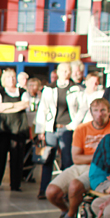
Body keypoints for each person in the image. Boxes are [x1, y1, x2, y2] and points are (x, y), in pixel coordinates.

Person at [46, 98, 110, 218]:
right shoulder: (82, 129)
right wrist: (99, 156)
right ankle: (66, 210)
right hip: (81, 165)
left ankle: (70, 217)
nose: (99, 114)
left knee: (75, 186)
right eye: (96, 111)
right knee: (51, 192)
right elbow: (76, 158)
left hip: (101, 170)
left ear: (109, 112)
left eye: (103, 111)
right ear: (91, 112)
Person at [34, 62, 84, 199]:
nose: (65, 73)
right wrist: (41, 130)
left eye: (68, 70)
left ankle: (66, 191)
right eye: (62, 70)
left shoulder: (76, 89)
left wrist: (73, 125)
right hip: (51, 129)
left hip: (67, 129)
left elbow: (82, 108)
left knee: (67, 161)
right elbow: (42, 109)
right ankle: (43, 190)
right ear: (57, 72)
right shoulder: (49, 89)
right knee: (47, 160)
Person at [0, 68, 30, 191]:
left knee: (17, 157)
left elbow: (26, 104)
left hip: (18, 128)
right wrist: (16, 105)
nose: (11, 79)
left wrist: (7, 107)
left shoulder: (23, 91)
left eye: (13, 77)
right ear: (3, 79)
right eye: (8, 77)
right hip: (2, 129)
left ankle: (15, 184)